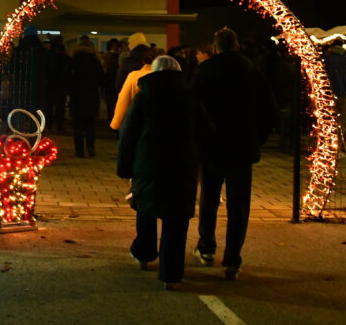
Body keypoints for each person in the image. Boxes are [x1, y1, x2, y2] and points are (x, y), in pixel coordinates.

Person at [117, 55, 213, 290]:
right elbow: (207, 131)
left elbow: (128, 134)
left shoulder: (143, 97)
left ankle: (144, 253)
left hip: (148, 163)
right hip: (182, 165)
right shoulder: (190, 97)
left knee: (147, 210)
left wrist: (125, 167)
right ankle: (171, 274)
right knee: (176, 220)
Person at [193, 27, 275, 280]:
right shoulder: (252, 72)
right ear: (237, 45)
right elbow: (269, 109)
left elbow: (193, 107)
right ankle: (232, 259)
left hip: (212, 146)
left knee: (209, 199)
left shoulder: (204, 71)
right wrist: (257, 138)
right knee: (239, 205)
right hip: (242, 147)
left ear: (216, 47)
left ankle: (207, 247)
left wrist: (200, 138)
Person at [69, 37, 103, 157]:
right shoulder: (95, 61)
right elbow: (102, 80)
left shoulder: (73, 61)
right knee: (90, 126)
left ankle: (79, 151)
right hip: (91, 96)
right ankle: (90, 147)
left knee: (77, 126)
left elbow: (68, 80)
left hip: (77, 96)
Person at [110, 45, 158, 130]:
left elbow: (124, 100)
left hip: (137, 122)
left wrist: (116, 123)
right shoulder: (164, 76)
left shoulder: (134, 76)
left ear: (143, 61)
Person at [323, 40, 346, 149]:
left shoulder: (326, 59)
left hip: (329, 96)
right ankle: (337, 148)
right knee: (342, 124)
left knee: (329, 122)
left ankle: (327, 147)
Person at [101, 38, 121, 122]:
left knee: (110, 104)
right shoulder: (116, 56)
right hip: (113, 82)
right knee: (114, 104)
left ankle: (110, 119)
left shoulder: (105, 56)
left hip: (108, 83)